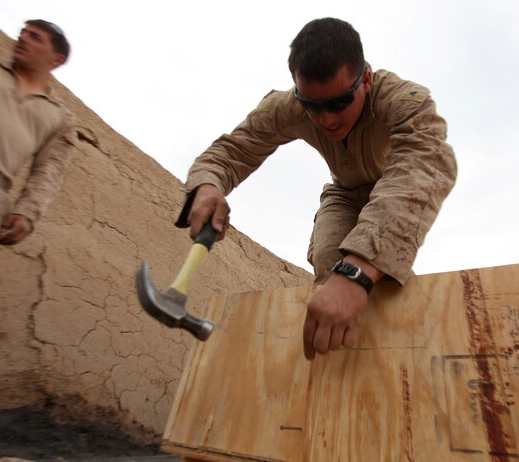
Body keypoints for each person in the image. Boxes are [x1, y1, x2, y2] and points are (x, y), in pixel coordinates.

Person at [177, 18, 457, 360]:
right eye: (312, 106)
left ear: (365, 80)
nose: (325, 119)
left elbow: (424, 166)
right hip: (343, 193)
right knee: (329, 261)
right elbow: (233, 149)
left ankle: (401, 358)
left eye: (339, 103)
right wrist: (207, 185)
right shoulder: (287, 107)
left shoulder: (403, 100)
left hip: (393, 190)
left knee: (370, 278)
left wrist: (357, 273)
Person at [0, 20, 76, 329]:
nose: (22, 39)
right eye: (22, 33)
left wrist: (27, 213)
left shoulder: (57, 118)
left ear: (56, 59)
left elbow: (48, 172)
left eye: (35, 38)